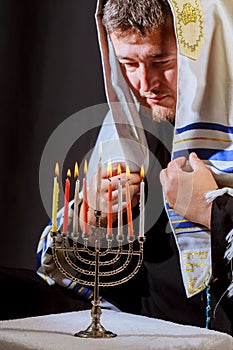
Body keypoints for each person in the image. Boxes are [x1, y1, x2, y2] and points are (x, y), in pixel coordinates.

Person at [36, 0, 233, 335]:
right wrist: (92, 220)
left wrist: (212, 212)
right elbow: (105, 284)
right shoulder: (132, 133)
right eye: (128, 63)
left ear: (203, 53)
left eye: (161, 61)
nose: (145, 84)